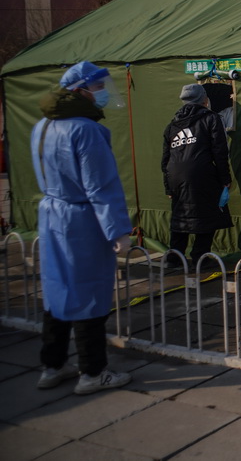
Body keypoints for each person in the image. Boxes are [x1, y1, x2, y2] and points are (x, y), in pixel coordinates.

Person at [31, 61, 133, 394]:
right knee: (89, 292)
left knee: (57, 292)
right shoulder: (85, 130)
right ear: (80, 90)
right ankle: (92, 372)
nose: (102, 93)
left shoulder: (42, 126)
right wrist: (118, 230)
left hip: (51, 216)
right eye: (98, 87)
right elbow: (101, 186)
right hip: (81, 221)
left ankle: (53, 364)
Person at [161, 84, 233, 268]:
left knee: (180, 214)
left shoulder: (172, 124)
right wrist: (225, 179)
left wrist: (168, 185)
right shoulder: (210, 118)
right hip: (201, 172)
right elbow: (220, 151)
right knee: (207, 214)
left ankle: (174, 257)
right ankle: (200, 257)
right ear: (204, 99)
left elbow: (166, 158)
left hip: (175, 175)